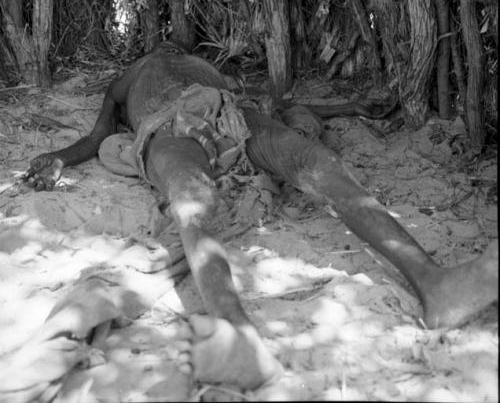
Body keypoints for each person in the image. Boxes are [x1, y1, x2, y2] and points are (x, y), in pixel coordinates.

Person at [24, 40, 498, 391]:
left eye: (172, 41)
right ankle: (238, 335)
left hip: (232, 117)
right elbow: (97, 136)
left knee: (317, 162)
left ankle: (434, 284)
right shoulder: (131, 75)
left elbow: (284, 107)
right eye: (158, 43)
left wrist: (350, 106)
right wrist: (60, 157)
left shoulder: (203, 65)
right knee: (192, 199)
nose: (166, 45)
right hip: (167, 130)